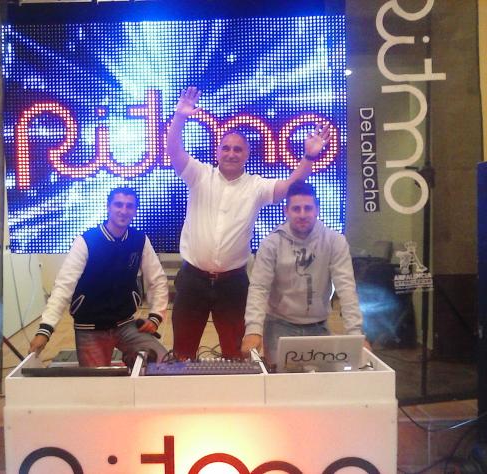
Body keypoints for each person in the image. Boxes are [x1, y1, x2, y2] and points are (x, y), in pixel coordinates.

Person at [166, 86, 331, 360]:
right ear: (217, 152)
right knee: (183, 353)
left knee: (237, 354)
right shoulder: (199, 175)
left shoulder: (256, 186)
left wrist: (309, 156)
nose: (231, 153)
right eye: (226, 148)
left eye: (238, 149)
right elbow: (173, 150)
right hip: (193, 280)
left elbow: (291, 186)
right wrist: (180, 117)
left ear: (246, 154)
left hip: (233, 284)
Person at [28, 187, 168, 367]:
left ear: (135, 211)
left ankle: (132, 359)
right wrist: (45, 329)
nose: (123, 210)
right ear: (108, 207)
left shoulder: (140, 240)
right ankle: (131, 361)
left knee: (163, 362)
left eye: (129, 206)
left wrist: (155, 316)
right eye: (118, 204)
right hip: (90, 328)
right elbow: (63, 286)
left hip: (125, 324)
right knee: (98, 380)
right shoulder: (86, 241)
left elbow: (157, 280)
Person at [241, 181, 370, 363]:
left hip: (318, 326)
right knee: (281, 379)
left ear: (317, 209)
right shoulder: (271, 243)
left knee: (321, 380)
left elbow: (346, 288)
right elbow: (259, 288)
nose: (302, 214)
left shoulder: (335, 241)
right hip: (279, 325)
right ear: (286, 211)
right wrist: (253, 329)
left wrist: (355, 333)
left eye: (307, 208)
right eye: (296, 209)